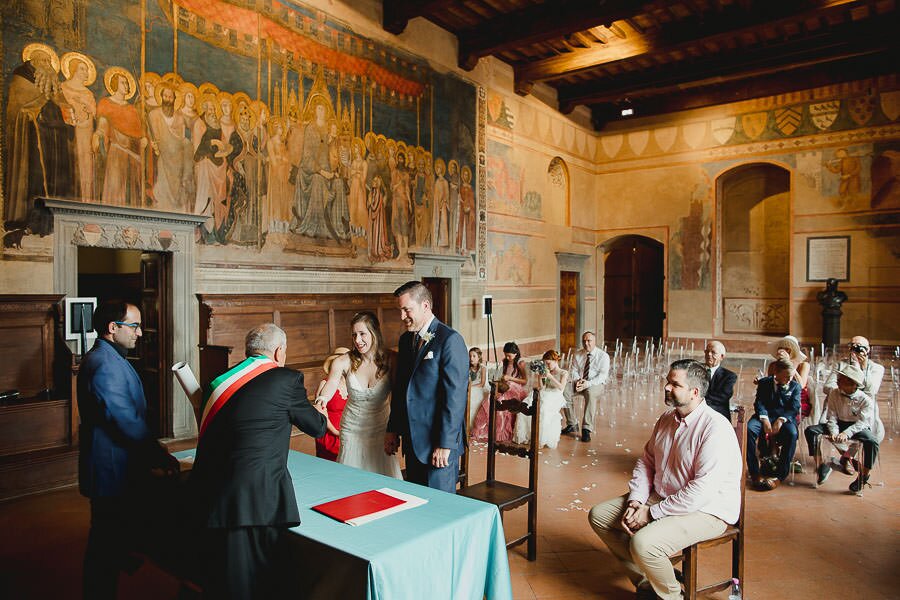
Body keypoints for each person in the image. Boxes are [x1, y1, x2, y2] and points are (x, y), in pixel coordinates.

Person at [189, 323, 328, 600]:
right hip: (258, 496)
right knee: (259, 578)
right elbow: (316, 427)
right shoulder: (286, 380)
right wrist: (318, 411)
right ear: (279, 352)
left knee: (229, 575)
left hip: (217, 490)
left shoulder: (221, 380)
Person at [588, 359, 741, 600]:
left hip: (708, 510)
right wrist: (637, 501)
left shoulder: (715, 428)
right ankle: (647, 581)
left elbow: (701, 491)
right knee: (599, 516)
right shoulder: (666, 419)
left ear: (694, 392)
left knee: (643, 543)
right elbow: (647, 461)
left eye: (674, 384)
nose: (667, 387)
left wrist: (650, 513)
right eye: (667, 382)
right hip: (663, 497)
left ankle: (671, 596)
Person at [78, 300, 177, 599]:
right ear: (113, 328)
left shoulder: (111, 357)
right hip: (110, 469)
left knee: (111, 538)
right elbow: (124, 419)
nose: (139, 334)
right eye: (134, 326)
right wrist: (157, 452)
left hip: (119, 466)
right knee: (104, 546)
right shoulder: (104, 363)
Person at [386, 281, 468, 493]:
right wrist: (393, 429)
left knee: (440, 509)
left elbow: (455, 398)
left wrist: (446, 444)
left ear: (425, 306)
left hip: (438, 444)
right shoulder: (406, 341)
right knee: (417, 503)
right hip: (413, 442)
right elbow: (401, 388)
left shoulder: (450, 340)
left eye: (407, 310)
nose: (403, 317)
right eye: (401, 310)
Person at [317, 312, 402, 478]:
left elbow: (398, 397)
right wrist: (323, 398)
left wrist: (394, 430)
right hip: (352, 429)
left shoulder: (392, 359)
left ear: (374, 333)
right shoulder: (343, 361)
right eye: (354, 335)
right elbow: (332, 382)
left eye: (362, 334)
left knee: (382, 477)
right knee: (351, 477)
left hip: (381, 428)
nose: (357, 340)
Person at [805, 362, 880, 492]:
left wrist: (846, 434)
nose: (838, 382)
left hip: (857, 427)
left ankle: (864, 475)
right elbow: (832, 416)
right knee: (811, 431)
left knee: (872, 441)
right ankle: (821, 465)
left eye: (841, 380)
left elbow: (862, 422)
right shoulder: (834, 393)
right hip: (838, 423)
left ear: (853, 384)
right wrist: (834, 432)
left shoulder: (866, 400)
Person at [823, 335, 885, 473]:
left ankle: (846, 458)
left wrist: (861, 370)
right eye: (853, 345)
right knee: (829, 425)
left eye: (860, 346)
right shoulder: (840, 364)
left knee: (868, 429)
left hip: (863, 407)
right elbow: (827, 387)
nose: (856, 349)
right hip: (839, 405)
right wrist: (844, 390)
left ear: (867, 350)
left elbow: (871, 391)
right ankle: (847, 457)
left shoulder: (876, 368)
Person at [747, 358, 800, 490]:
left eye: (791, 376)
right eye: (787, 376)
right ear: (777, 372)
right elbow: (759, 403)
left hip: (784, 419)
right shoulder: (764, 382)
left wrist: (781, 420)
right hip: (764, 416)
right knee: (749, 429)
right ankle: (754, 472)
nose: (789, 379)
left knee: (792, 433)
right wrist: (764, 419)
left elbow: (794, 407)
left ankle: (780, 475)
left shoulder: (795, 386)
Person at [471, 341, 529, 443]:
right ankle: (484, 429)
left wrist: (510, 378)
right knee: (490, 397)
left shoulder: (520, 363)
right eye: (506, 355)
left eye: (509, 356)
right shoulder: (505, 362)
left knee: (502, 401)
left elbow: (525, 381)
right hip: (506, 387)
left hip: (516, 389)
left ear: (516, 354)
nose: (507, 358)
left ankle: (501, 432)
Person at [514, 350, 568, 449]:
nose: (547, 366)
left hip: (555, 395)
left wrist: (550, 376)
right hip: (545, 392)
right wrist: (539, 376)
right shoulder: (547, 371)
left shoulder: (564, 373)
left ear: (555, 360)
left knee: (543, 408)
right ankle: (528, 436)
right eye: (545, 364)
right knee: (526, 403)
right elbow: (542, 387)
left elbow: (561, 387)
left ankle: (540, 440)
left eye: (548, 363)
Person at [562, 332, 610, 442]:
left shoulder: (603, 356)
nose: (586, 343)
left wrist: (587, 383)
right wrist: (578, 380)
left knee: (590, 393)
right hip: (580, 382)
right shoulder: (577, 354)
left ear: (594, 341)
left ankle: (586, 428)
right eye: (584, 341)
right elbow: (573, 370)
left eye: (589, 341)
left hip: (595, 384)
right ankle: (572, 423)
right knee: (564, 390)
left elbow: (602, 376)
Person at [314, 347, 349, 462]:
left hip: (348, 432)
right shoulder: (324, 383)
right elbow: (320, 413)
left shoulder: (352, 385)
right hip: (330, 434)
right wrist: (336, 432)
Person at [703, 340, 737, 421]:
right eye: (707, 351)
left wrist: (700, 401)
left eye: (713, 352)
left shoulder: (729, 376)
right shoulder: (695, 370)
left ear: (722, 357)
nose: (709, 354)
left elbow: (722, 397)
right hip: (695, 411)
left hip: (718, 414)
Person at [467, 347, 488, 429]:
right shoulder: (468, 367)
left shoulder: (482, 368)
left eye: (474, 356)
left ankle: (473, 425)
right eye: (470, 356)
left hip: (480, 388)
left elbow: (482, 383)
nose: (471, 358)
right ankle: (466, 422)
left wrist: (470, 387)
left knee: (473, 396)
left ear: (479, 357)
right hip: (470, 386)